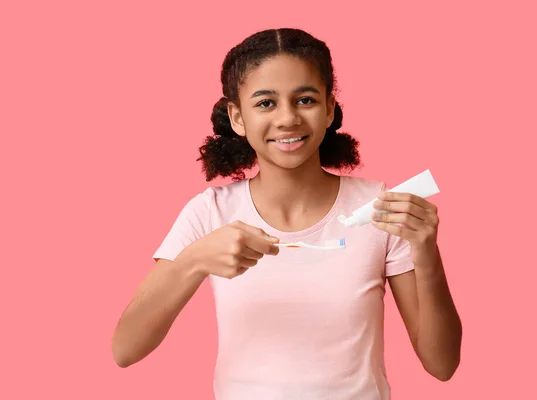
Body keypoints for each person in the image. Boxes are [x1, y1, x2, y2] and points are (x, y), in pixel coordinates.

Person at [111, 27, 462, 400]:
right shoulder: (211, 212)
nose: (287, 119)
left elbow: (442, 364)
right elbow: (125, 349)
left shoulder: (378, 207)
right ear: (237, 117)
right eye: (265, 103)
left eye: (305, 100)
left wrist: (427, 254)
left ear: (329, 109)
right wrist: (193, 261)